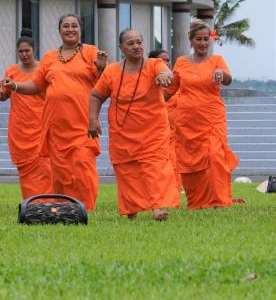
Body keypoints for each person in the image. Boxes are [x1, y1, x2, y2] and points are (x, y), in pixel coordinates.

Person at [0, 14, 108, 210]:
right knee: (61, 172)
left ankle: (85, 208)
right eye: (65, 26)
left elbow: (103, 86)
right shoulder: (50, 57)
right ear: (59, 31)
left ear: (80, 29)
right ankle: (64, 208)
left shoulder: (91, 52)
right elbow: (37, 85)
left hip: (83, 124)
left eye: (74, 26)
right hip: (56, 127)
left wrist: (101, 69)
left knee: (82, 167)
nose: (70, 29)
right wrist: (15, 85)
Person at [88, 29, 180, 220]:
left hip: (153, 130)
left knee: (155, 168)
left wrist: (164, 76)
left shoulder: (154, 63)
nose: (136, 46)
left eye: (139, 42)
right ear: (121, 48)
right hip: (123, 132)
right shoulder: (112, 70)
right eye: (130, 44)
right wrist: (93, 119)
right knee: (127, 171)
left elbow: (165, 72)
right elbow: (97, 95)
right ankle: (132, 211)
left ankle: (158, 209)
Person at [164, 19, 238, 209]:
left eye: (206, 39)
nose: (203, 43)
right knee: (190, 161)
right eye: (199, 39)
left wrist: (222, 73)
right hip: (187, 121)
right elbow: (170, 90)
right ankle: (197, 202)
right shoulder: (181, 62)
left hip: (212, 118)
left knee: (215, 157)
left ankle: (219, 201)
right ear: (191, 40)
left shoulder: (217, 61)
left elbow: (228, 80)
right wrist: (146, 102)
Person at [0, 30, 53, 199]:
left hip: (41, 125)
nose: (24, 54)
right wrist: (0, 93)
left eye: (27, 50)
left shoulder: (43, 69)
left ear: (34, 50)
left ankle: (48, 200)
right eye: (21, 51)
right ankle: (32, 201)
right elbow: (4, 94)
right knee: (25, 168)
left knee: (45, 165)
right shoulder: (12, 70)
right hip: (20, 127)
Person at [149, 48, 182, 191]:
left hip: (175, 134)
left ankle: (174, 190)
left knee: (174, 161)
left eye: (168, 60)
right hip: (156, 133)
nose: (166, 63)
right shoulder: (149, 83)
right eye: (163, 60)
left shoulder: (175, 84)